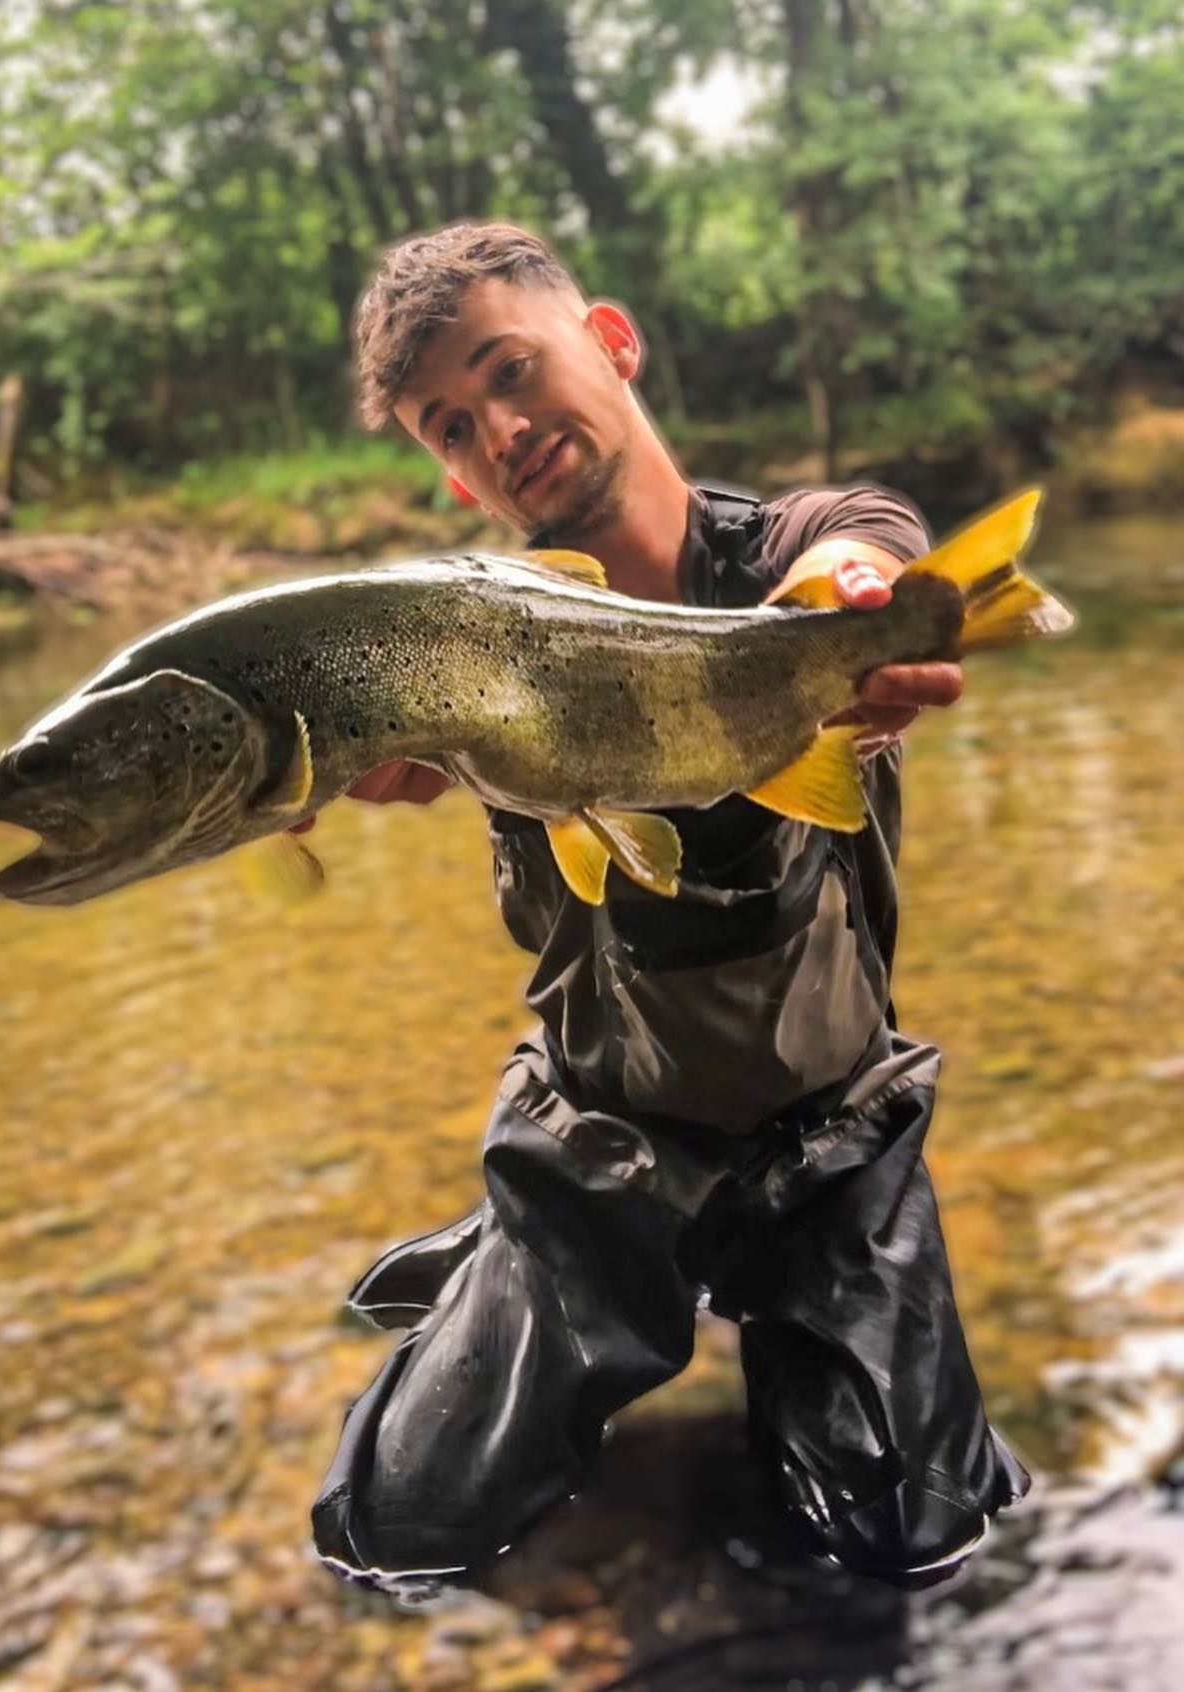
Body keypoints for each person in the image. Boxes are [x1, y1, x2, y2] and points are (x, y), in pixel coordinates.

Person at [308, 222, 1030, 1599]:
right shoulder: (463, 639)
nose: (499, 431)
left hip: (830, 1153)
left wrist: (851, 613)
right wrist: (343, 761)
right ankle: (503, 1258)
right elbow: (338, 713)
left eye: (512, 371)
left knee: (913, 1546)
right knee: (393, 1535)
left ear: (614, 342)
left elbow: (860, 551)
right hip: (593, 1150)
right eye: (450, 428)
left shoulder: (795, 550)